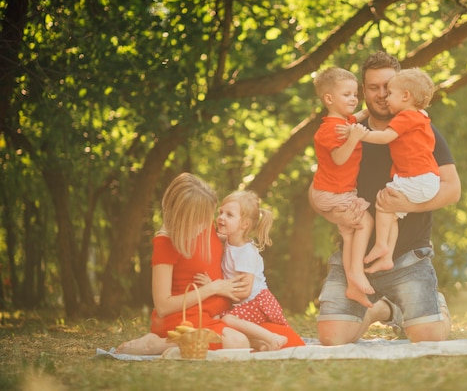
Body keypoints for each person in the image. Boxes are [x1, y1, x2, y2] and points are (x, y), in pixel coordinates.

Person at [310, 51, 461, 345]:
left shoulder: (421, 128)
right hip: (355, 257)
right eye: (373, 87)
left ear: (402, 89)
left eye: (387, 86)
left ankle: (431, 305)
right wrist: (334, 214)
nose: (381, 95)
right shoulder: (346, 132)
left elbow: (452, 189)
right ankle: (382, 307)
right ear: (363, 91)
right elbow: (317, 188)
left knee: (428, 338)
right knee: (332, 338)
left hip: (408, 258)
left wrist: (408, 204)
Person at [115, 173, 303, 355]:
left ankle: (248, 342)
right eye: (203, 216)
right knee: (237, 343)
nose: (210, 221)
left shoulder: (207, 224)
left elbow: (236, 242)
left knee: (290, 341)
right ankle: (160, 344)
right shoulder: (165, 242)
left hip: (222, 315)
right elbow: (163, 306)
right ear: (184, 214)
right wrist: (213, 288)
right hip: (185, 318)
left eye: (210, 214)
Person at [357, 68, 440, 273]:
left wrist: (360, 134)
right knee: (391, 214)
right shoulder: (420, 116)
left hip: (416, 177)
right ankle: (387, 256)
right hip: (427, 179)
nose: (386, 98)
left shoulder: (405, 117)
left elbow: (384, 137)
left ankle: (381, 245)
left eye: (391, 93)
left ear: (405, 96)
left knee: (383, 202)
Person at [194, 190, 294, 351]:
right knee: (218, 319)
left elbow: (244, 292)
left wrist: (214, 286)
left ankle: (273, 338)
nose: (221, 218)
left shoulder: (245, 252)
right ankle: (261, 344)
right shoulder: (230, 241)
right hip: (246, 303)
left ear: (244, 224)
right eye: (220, 212)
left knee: (228, 319)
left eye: (229, 215)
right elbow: (207, 235)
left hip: (257, 302)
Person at [310, 66, 375, 308]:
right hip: (331, 193)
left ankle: (353, 287)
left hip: (338, 191)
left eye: (355, 94)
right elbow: (338, 158)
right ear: (329, 99)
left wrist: (368, 110)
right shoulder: (328, 129)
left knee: (349, 234)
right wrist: (354, 138)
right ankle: (357, 273)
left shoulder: (345, 121)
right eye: (347, 94)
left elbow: (356, 118)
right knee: (366, 222)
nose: (353, 99)